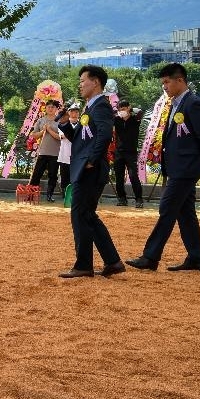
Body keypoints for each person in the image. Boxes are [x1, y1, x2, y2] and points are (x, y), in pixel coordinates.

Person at [126, 63, 200, 272]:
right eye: (163, 82)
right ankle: (195, 258)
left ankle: (150, 257)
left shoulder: (193, 104)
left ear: (180, 81)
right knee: (185, 213)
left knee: (167, 208)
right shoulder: (175, 104)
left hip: (186, 168)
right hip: (178, 167)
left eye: (167, 82)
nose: (164, 86)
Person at [57, 65, 126, 279]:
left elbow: (105, 135)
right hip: (84, 167)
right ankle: (112, 261)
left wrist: (92, 160)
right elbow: (80, 138)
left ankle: (85, 265)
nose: (80, 84)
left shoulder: (101, 107)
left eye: (82, 80)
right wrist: (65, 125)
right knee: (86, 215)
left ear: (95, 82)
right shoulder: (90, 107)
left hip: (90, 169)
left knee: (80, 214)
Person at [28, 99, 62, 202]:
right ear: (46, 108)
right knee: (36, 174)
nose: (51, 109)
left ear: (56, 109)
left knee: (52, 175)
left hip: (55, 153)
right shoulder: (40, 120)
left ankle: (49, 195)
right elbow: (34, 135)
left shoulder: (59, 121)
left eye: (53, 107)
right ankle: (31, 194)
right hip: (42, 152)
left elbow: (60, 137)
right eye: (49, 107)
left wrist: (50, 130)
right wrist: (43, 131)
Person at [113, 100, 145, 208]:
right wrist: (115, 112)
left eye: (123, 109)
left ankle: (139, 199)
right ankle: (122, 198)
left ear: (128, 108)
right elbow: (109, 115)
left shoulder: (135, 119)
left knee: (133, 176)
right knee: (119, 177)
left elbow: (141, 111)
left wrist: (131, 110)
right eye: (120, 110)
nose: (121, 111)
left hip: (131, 153)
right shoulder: (116, 120)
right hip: (119, 152)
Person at [57, 103, 81, 196]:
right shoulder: (63, 123)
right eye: (72, 111)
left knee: (76, 175)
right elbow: (61, 136)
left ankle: (76, 193)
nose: (74, 113)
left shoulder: (82, 124)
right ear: (68, 113)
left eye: (76, 111)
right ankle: (65, 193)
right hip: (65, 153)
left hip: (77, 154)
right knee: (65, 175)